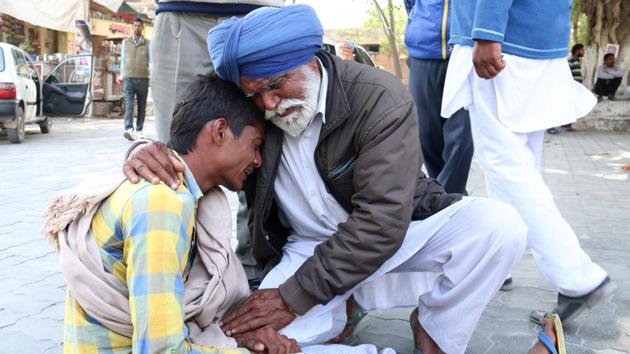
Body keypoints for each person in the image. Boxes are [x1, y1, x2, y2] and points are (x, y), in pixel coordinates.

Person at [124, 5, 527, 354]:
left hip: (395, 239)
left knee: (499, 228)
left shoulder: (378, 98)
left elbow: (382, 223)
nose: (268, 104)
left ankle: (436, 328)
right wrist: (145, 151)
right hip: (306, 252)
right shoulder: (257, 106)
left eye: (275, 85)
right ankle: (344, 310)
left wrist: (291, 298)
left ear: (309, 61)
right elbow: (199, 134)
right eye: (255, 94)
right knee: (248, 342)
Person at [44, 75, 304, 354]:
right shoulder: (162, 202)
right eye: (255, 144)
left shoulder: (180, 196)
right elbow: (162, 350)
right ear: (219, 131)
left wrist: (242, 339)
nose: (258, 160)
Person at [442, 0, 613, 326]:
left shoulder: (493, 35)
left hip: (505, 39)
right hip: (535, 38)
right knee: (521, 169)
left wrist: (487, 32)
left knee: (507, 168)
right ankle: (501, 266)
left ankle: (579, 280)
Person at [151, 0, 283, 283]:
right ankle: (172, 277)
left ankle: (253, 278)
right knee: (172, 163)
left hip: (259, 15)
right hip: (181, 15)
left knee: (262, 161)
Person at [403, 0, 473, 194]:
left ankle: (445, 196)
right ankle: (444, 193)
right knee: (426, 133)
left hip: (464, 53)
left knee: (461, 134)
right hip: (423, 54)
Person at [118, 18, 150, 141]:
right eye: (135, 26)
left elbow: (151, 60)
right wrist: (122, 75)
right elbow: (123, 60)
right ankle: (129, 129)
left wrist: (151, 75)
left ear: (142, 27)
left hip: (142, 78)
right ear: (132, 27)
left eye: (139, 26)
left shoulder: (148, 43)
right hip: (128, 78)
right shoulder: (125, 43)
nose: (136, 28)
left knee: (142, 106)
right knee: (129, 104)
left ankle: (139, 130)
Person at [548, 43, 586, 134]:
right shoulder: (571, 59)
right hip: (570, 86)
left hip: (574, 86)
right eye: (582, 50)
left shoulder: (576, 60)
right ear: (577, 50)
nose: (584, 52)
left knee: (571, 105)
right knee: (566, 105)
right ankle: (559, 125)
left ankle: (567, 125)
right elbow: (566, 72)